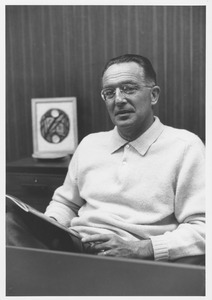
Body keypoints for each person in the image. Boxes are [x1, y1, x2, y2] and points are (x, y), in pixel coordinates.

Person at [7, 54, 205, 263]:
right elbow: (66, 204)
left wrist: (142, 248)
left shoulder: (185, 146)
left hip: (136, 258)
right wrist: (49, 226)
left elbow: (203, 227)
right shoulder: (89, 144)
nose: (118, 99)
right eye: (109, 92)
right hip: (75, 247)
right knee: (7, 224)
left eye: (129, 88)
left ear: (153, 95)